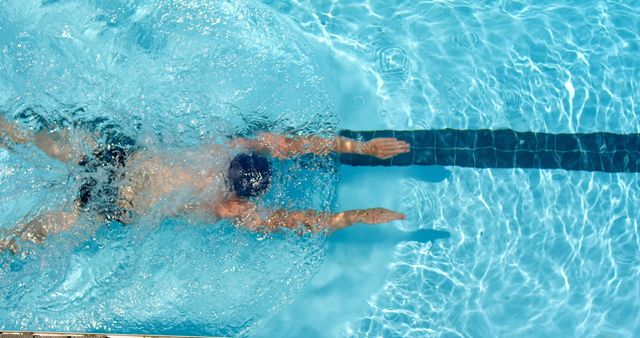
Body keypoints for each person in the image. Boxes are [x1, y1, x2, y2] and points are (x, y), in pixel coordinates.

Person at [0, 115, 410, 253]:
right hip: (113, 205)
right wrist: (351, 216)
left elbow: (295, 145)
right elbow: (293, 219)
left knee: (38, 141)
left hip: (116, 162)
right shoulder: (229, 206)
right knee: (37, 232)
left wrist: (363, 147)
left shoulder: (229, 147)